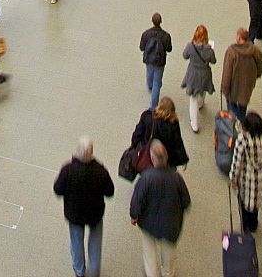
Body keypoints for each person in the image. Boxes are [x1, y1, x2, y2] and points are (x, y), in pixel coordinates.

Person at [53, 136, 115, 277]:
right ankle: (94, 272)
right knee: (95, 243)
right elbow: (110, 192)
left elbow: (58, 189)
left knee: (76, 242)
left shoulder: (68, 170)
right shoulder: (100, 171)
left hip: (74, 214)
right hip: (95, 214)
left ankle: (79, 271)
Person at [129, 140, 191, 277]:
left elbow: (137, 201)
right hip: (171, 225)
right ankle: (167, 273)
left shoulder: (146, 178)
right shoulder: (177, 179)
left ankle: (151, 273)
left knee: (149, 254)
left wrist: (134, 216)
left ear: (152, 159)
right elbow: (186, 202)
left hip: (148, 224)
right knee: (169, 257)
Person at [229, 112, 262, 233]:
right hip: (261, 178)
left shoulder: (243, 139)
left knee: (244, 203)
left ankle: (246, 227)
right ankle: (253, 224)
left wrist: (233, 179)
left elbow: (237, 162)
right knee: (255, 204)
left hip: (247, 178)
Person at [130, 97, 189, 170]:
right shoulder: (173, 123)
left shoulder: (147, 116)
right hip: (166, 157)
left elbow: (138, 133)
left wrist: (133, 145)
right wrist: (184, 160)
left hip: (148, 153)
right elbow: (178, 142)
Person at [220, 28, 262, 120]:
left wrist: (224, 88)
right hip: (247, 87)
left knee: (232, 111)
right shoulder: (255, 51)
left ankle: (233, 128)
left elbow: (227, 73)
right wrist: (254, 77)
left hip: (233, 88)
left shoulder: (232, 52)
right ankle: (242, 125)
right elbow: (260, 68)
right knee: (242, 108)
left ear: (239, 38)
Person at [181, 25, 216, 132]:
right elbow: (213, 60)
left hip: (193, 73)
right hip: (204, 73)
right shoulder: (209, 49)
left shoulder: (190, 46)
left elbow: (185, 55)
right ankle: (201, 103)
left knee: (193, 98)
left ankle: (195, 124)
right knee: (203, 89)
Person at [140, 13, 172, 110]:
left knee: (149, 73)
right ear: (160, 22)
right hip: (160, 62)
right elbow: (169, 49)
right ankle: (153, 106)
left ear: (152, 21)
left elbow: (142, 47)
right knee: (157, 82)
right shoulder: (166, 36)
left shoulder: (146, 34)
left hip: (149, 60)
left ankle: (149, 85)